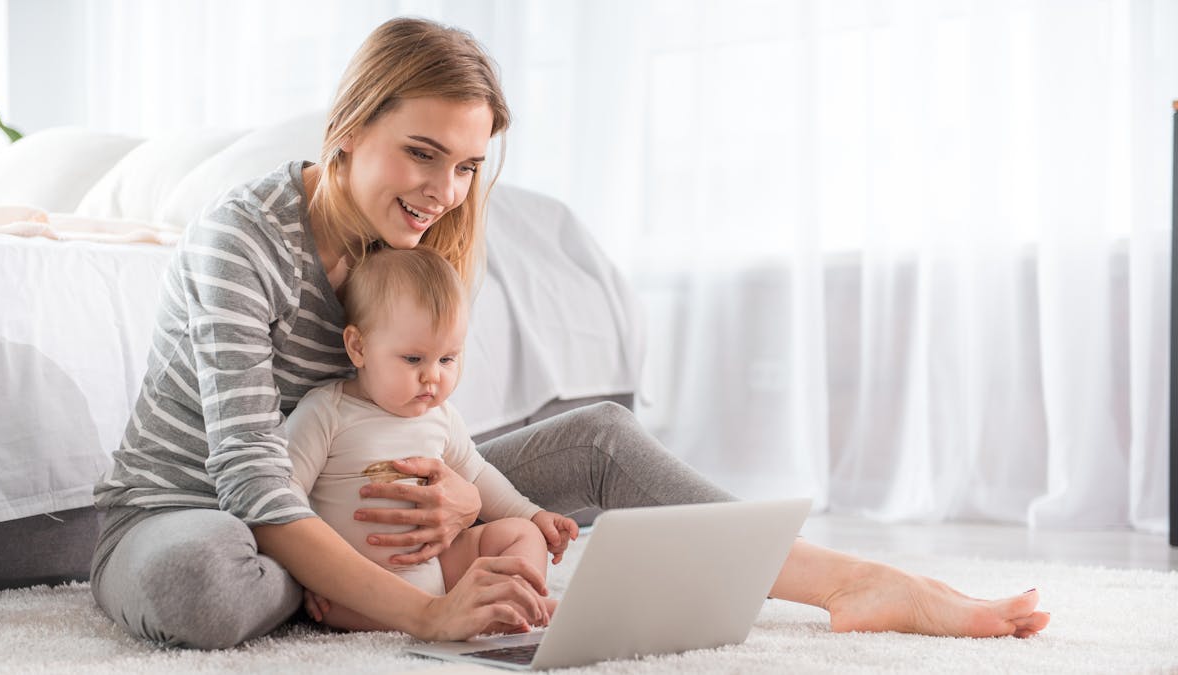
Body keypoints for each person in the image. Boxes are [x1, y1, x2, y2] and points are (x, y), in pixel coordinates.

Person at [90, 16, 1050, 650]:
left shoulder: (426, 238)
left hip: (343, 496)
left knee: (595, 436)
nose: (442, 192)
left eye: (466, 165)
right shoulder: (241, 239)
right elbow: (253, 483)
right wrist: (431, 604)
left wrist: (466, 505)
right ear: (349, 128)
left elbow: (428, 421)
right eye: (421, 153)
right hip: (200, 509)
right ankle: (346, 584)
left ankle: (855, 581)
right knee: (205, 587)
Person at [285, 245, 577, 630]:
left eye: (447, 359)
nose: (433, 377)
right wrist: (310, 574)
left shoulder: (441, 416)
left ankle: (514, 601)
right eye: (413, 359)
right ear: (358, 347)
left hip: (440, 569)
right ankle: (488, 612)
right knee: (336, 601)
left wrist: (533, 515)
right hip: (360, 588)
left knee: (520, 535)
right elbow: (284, 497)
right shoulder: (327, 412)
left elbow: (476, 475)